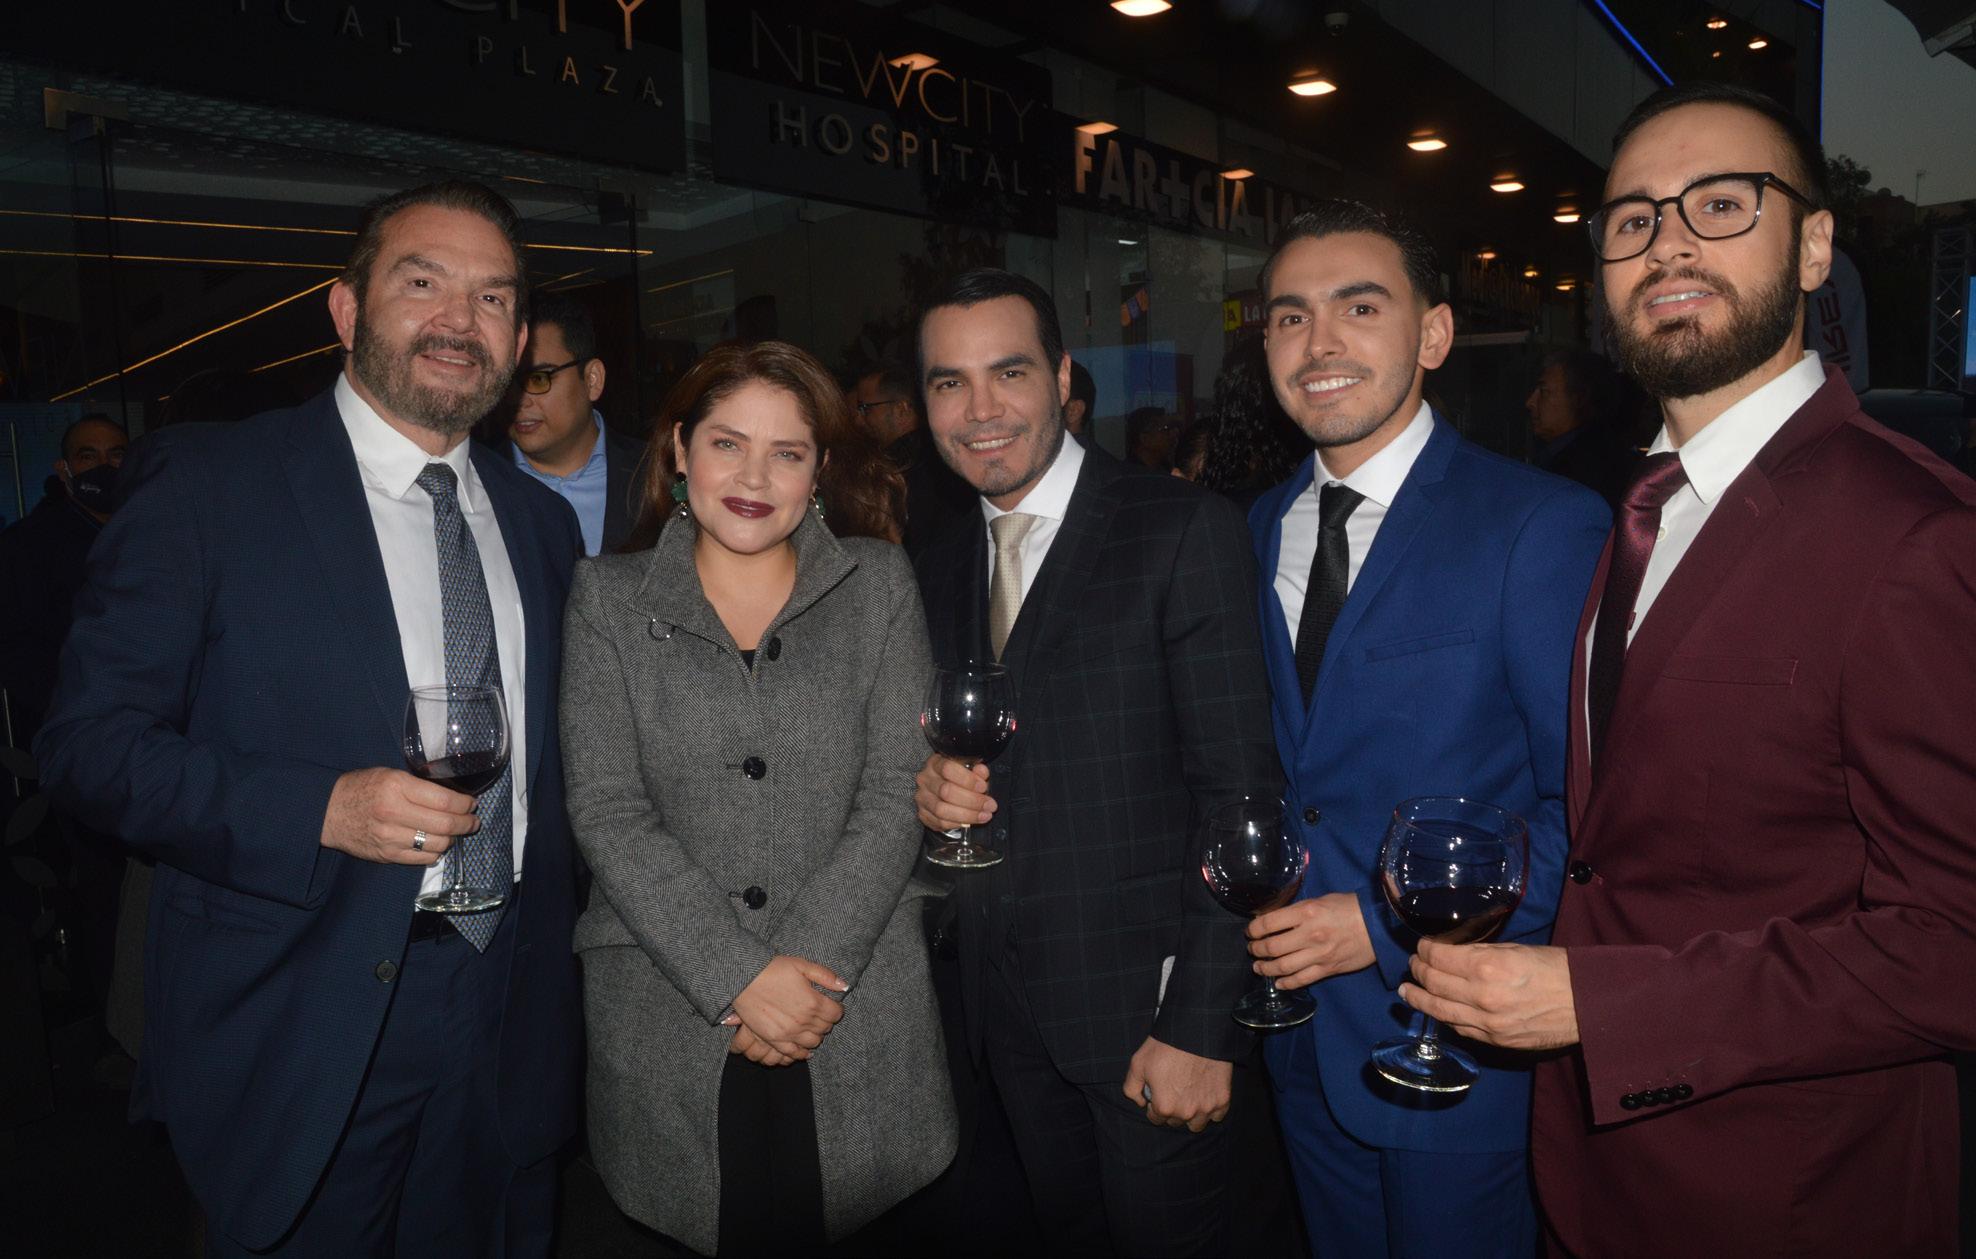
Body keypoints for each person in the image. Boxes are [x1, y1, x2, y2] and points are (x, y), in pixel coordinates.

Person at [1400, 82, 1976, 1258]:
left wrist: (1603, 1002)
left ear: (1811, 246)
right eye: (1632, 219)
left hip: (1787, 1196)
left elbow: (1952, 946)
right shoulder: (1642, 505)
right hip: (1591, 1174)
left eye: (1719, 203)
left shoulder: (1914, 535)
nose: (1665, 241)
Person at [36, 180, 584, 1256]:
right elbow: (86, 746)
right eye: (421, 282)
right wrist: (317, 809)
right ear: (344, 309)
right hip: (303, 1011)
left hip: (508, 1006)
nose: (457, 320)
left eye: (491, 298)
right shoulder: (210, 486)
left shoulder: (541, 523)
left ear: (519, 340)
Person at [1242, 200, 1608, 1259]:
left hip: (1452, 1048)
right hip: (1297, 1043)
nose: (1318, 343)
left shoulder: (1537, 524)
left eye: (1359, 307)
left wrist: (1382, 919)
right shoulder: (1253, 527)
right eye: (1289, 316)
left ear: (1435, 334)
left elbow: (1591, 814)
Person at [912, 268, 1282, 1256]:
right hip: (1003, 1027)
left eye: (1008, 372)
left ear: (1064, 378)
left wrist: (1201, 1025)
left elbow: (1241, 797)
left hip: (1151, 1024)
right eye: (948, 382)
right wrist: (930, 792)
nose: (979, 410)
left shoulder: (1179, 527)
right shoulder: (939, 559)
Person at [560, 339, 956, 1255]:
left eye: (787, 452)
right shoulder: (607, 599)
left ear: (819, 471)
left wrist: (800, 976)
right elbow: (609, 811)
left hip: (851, 1000)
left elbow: (894, 790)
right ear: (680, 449)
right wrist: (737, 976)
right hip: (669, 1005)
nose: (753, 477)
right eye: (727, 444)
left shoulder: (878, 585)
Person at [0, 414, 126, 743]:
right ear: (63, 469)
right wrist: (69, 706)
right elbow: (15, 647)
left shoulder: (150, 533)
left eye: (116, 454)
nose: (104, 467)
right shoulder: (26, 546)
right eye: (88, 456)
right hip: (74, 724)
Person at [501, 289, 646, 555]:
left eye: (538, 379)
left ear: (592, 380)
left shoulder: (657, 474)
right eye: (506, 382)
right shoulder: (473, 479)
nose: (517, 399)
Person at [851, 359, 974, 559]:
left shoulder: (898, 469)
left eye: (866, 408)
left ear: (901, 409)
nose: (858, 419)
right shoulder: (936, 457)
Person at [1525, 348, 1641, 509]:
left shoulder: (1586, 470)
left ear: (1578, 398)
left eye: (1544, 392)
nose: (1530, 402)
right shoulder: (1564, 456)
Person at [1125, 404, 1182, 471]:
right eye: (1166, 429)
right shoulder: (1129, 474)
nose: (1173, 435)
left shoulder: (1167, 469)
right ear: (1145, 439)